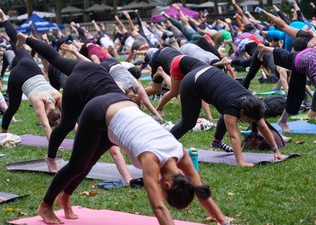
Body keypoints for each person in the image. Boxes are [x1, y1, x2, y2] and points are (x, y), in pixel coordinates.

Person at [36, 91, 231, 225]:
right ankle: (45, 206)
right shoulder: (150, 161)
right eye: (165, 195)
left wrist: (224, 221)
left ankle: (65, 199)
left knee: (89, 163)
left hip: (121, 109)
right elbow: (158, 207)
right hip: (99, 110)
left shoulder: (181, 153)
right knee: (78, 165)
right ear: (166, 186)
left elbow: (202, 192)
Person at [16, 31, 125, 173]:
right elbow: (110, 147)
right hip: (78, 84)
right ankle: (50, 157)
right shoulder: (112, 112)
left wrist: (74, 51)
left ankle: (26, 39)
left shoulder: (121, 103)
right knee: (67, 124)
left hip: (90, 68)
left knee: (55, 59)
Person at [169, 65, 286, 166]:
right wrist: (241, 162)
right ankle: (163, 144)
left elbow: (264, 127)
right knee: (188, 123)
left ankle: (217, 142)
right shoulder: (232, 107)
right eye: (249, 121)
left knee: (226, 115)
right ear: (242, 112)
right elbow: (234, 136)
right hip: (192, 81)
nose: (250, 123)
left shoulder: (253, 104)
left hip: (209, 73)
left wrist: (276, 150)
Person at [0, 9, 62, 141]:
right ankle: (3, 133)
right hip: (18, 75)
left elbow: (72, 118)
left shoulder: (58, 95)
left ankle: (4, 17)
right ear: (46, 112)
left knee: (16, 44)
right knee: (13, 107)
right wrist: (53, 148)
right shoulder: (39, 101)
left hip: (31, 67)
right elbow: (45, 124)